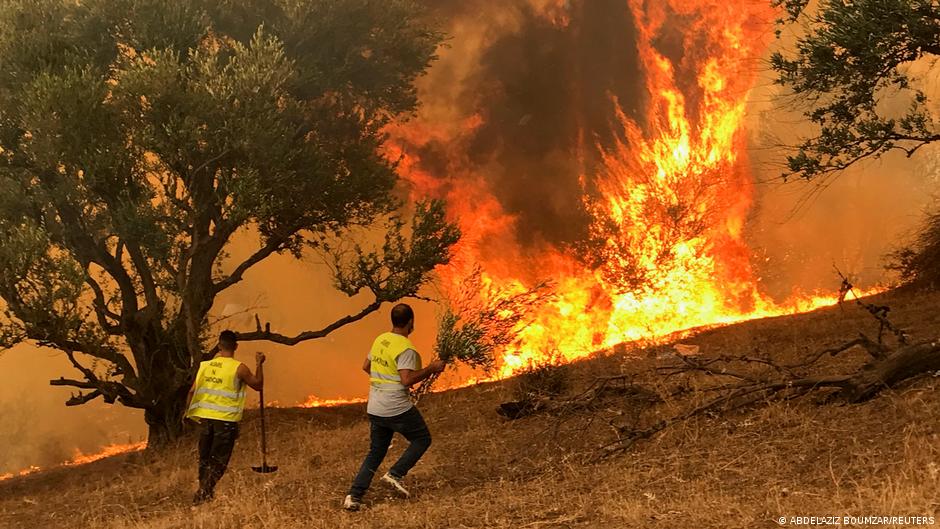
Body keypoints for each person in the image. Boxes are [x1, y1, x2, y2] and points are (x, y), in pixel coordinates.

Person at [343, 303, 445, 511]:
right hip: (395, 406)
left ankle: (354, 496)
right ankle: (395, 474)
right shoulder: (406, 348)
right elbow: (407, 380)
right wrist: (432, 368)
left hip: (375, 406)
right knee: (422, 439)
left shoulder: (381, 339)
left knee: (376, 452)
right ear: (410, 322)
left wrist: (383, 382)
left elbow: (366, 367)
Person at [185, 330, 265, 505]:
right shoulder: (239, 368)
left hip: (206, 420)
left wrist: (189, 415)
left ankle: (205, 492)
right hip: (226, 421)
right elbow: (258, 385)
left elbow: (192, 391)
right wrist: (259, 364)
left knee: (205, 458)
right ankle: (203, 493)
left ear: (219, 346)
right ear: (235, 346)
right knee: (219, 460)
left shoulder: (205, 366)